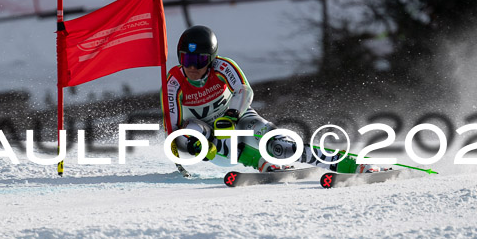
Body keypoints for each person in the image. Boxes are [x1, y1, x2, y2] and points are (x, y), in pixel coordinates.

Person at [163, 25, 381, 173]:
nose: (191, 67)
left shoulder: (223, 67)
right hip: (209, 135)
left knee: (275, 142)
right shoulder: (174, 83)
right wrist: (190, 149)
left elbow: (245, 92)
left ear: (211, 59)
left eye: (198, 61)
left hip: (236, 117)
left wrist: (231, 115)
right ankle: (257, 161)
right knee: (190, 135)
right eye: (186, 59)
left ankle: (344, 163)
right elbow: (173, 131)